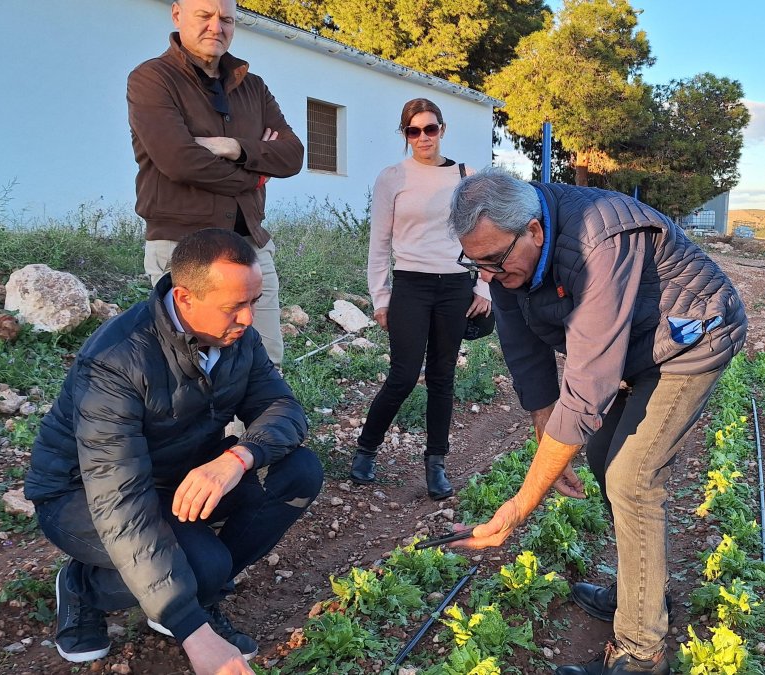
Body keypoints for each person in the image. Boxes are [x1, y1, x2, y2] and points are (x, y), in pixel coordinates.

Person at [447, 170, 747, 675]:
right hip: (637, 345)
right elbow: (525, 353)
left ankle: (641, 653)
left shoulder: (597, 242)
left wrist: (520, 506)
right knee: (603, 459)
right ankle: (641, 595)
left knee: (632, 479)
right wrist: (545, 436)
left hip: (690, 338)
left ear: (534, 231)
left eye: (494, 261)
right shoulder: (505, 261)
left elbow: (589, 386)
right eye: (475, 264)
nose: (489, 276)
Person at [24, 229, 323, 675]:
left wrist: (236, 459)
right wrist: (194, 634)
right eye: (234, 306)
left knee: (298, 471)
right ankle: (82, 584)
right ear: (185, 298)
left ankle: (195, 589)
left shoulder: (237, 337)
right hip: (80, 493)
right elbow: (120, 501)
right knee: (202, 565)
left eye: (254, 301)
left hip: (172, 477)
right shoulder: (117, 360)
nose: (247, 318)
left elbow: (283, 409)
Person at [128, 0, 306, 367]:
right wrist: (257, 173)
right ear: (177, 15)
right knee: (191, 366)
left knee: (264, 363)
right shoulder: (152, 79)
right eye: (204, 15)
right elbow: (179, 161)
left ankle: (254, 411)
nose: (216, 26)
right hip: (183, 249)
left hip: (249, 247)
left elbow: (292, 155)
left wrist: (235, 147)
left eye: (226, 19)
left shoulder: (253, 87)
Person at [350, 98, 492, 500]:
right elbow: (379, 243)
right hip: (411, 285)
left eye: (430, 129)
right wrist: (381, 297)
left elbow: (485, 234)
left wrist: (484, 286)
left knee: (443, 378)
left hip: (455, 286)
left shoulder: (467, 177)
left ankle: (436, 464)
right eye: (414, 131)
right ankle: (366, 449)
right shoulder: (392, 177)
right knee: (403, 374)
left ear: (442, 129)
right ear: (405, 135)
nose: (423, 137)